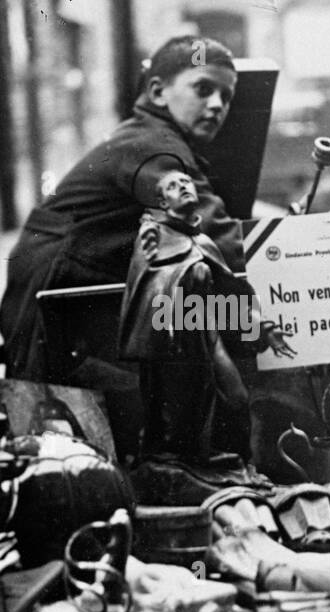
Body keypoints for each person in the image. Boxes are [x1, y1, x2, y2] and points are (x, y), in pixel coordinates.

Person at [0, 36, 245, 457]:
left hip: (63, 299)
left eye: (226, 95)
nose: (218, 104)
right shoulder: (155, 148)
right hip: (55, 309)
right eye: (203, 89)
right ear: (157, 92)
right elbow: (216, 238)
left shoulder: (150, 138)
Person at [119, 170, 294, 463]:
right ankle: (189, 472)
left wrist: (263, 329)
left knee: (237, 401)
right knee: (181, 422)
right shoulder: (154, 237)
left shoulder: (204, 242)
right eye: (173, 187)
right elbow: (148, 287)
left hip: (208, 338)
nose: (183, 187)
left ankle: (237, 468)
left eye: (186, 182)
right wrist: (185, 274)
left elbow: (230, 295)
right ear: (163, 203)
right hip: (173, 349)